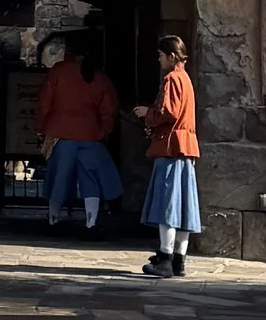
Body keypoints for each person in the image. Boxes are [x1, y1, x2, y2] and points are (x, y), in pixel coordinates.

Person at [35, 28, 121, 235]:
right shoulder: (99, 77)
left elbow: (45, 102)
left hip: (61, 133)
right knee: (90, 180)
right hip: (91, 135)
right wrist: (102, 132)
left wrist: (41, 128)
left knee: (58, 178)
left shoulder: (58, 71)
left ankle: (53, 218)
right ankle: (91, 222)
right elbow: (109, 109)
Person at [134, 33, 202, 277]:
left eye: (161, 55)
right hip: (186, 147)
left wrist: (148, 113)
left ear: (172, 56)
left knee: (167, 205)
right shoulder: (186, 79)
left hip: (171, 147)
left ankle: (164, 257)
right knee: (184, 206)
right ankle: (179, 260)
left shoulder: (172, 79)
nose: (159, 60)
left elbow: (169, 113)